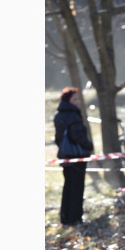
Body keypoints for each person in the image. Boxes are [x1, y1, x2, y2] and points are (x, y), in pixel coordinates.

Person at [54, 87, 94, 226]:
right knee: (77, 189)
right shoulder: (73, 115)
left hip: (65, 156)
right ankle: (75, 219)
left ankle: (65, 218)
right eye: (75, 99)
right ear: (68, 101)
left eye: (78, 99)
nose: (77, 101)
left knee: (68, 187)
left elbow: (58, 138)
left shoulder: (58, 115)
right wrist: (89, 146)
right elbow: (78, 136)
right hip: (77, 157)